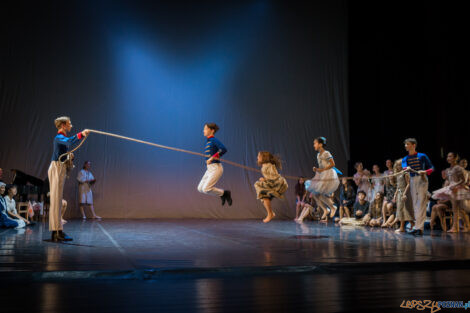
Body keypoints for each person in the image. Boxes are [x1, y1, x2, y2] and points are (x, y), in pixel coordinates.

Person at [48, 116, 89, 242]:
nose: (71, 125)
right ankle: (55, 232)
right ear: (63, 125)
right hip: (56, 168)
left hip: (60, 167)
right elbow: (69, 141)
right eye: (69, 123)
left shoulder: (62, 138)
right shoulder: (59, 137)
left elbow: (66, 145)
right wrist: (81, 134)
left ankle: (58, 230)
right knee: (55, 200)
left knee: (58, 200)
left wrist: (68, 157)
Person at [402, 138, 434, 236]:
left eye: (407, 144)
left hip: (422, 179)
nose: (405, 146)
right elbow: (404, 167)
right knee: (415, 204)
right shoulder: (405, 158)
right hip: (412, 179)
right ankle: (418, 227)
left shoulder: (422, 156)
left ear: (413, 145)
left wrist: (425, 171)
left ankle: (419, 228)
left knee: (421, 203)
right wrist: (406, 169)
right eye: (405, 144)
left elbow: (432, 168)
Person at [432, 152, 470, 232]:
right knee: (455, 209)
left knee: (460, 209)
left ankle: (458, 227)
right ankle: (456, 227)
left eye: (450, 156)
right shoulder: (448, 169)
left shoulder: (458, 168)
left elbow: (463, 180)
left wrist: (455, 185)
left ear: (455, 158)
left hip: (457, 189)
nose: (448, 158)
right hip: (452, 189)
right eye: (447, 156)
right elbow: (450, 180)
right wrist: (445, 178)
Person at [305, 137, 340, 221]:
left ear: (320, 144)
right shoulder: (318, 155)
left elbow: (332, 164)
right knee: (314, 194)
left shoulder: (326, 153)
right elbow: (321, 167)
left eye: (315, 143)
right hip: (322, 174)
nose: (314, 145)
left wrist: (322, 170)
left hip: (328, 174)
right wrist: (317, 169)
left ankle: (332, 207)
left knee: (320, 193)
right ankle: (325, 209)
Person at [197, 123, 232, 206]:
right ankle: (222, 194)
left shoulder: (213, 140)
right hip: (210, 169)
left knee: (206, 188)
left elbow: (223, 149)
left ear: (212, 130)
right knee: (200, 188)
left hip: (216, 168)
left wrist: (212, 158)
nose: (203, 130)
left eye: (205, 129)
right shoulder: (209, 141)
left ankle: (225, 193)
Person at [254, 151, 288, 223]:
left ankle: (270, 213)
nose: (257, 157)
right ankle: (270, 213)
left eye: (258, 156)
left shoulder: (269, 165)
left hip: (275, 184)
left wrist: (265, 179)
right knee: (262, 196)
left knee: (261, 191)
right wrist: (265, 179)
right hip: (270, 183)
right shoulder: (264, 165)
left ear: (263, 157)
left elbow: (274, 176)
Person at [393, 159, 414, 233]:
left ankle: (409, 225)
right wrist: (395, 195)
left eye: (400, 164)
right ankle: (406, 226)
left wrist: (404, 193)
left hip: (404, 193)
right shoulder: (398, 173)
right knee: (401, 210)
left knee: (404, 210)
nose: (399, 166)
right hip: (399, 193)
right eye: (397, 165)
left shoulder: (405, 173)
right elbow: (398, 186)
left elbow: (408, 184)